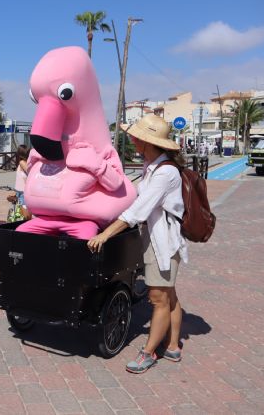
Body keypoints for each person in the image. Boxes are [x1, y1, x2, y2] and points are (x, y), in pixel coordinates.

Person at [87, 115, 188, 374]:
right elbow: (132, 194)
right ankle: (174, 345)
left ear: (148, 142)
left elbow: (139, 211)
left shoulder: (165, 173)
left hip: (162, 244)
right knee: (169, 296)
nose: (132, 141)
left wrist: (105, 234)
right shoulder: (152, 167)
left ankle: (149, 352)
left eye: (136, 137)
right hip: (157, 239)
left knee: (158, 299)